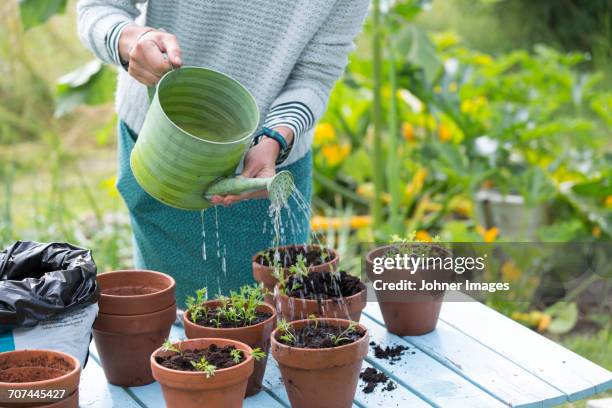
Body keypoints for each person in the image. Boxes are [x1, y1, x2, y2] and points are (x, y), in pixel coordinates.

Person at [76, 0, 370, 306]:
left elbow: (315, 73)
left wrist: (276, 137)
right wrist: (130, 40)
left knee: (281, 318)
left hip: (265, 162)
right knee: (173, 325)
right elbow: (99, 8)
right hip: (163, 148)